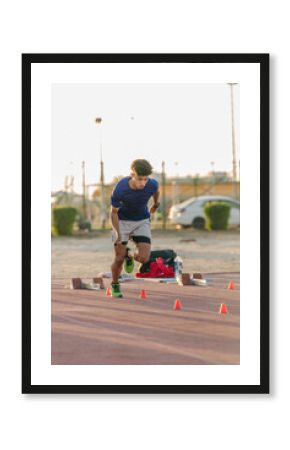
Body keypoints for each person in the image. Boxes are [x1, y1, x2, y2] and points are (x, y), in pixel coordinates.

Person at [110, 159, 160, 297]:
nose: (143, 183)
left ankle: (130, 255)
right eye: (139, 179)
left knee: (144, 258)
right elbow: (113, 213)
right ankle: (115, 285)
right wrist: (118, 234)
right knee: (119, 258)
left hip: (141, 221)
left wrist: (156, 204)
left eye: (145, 179)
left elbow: (156, 191)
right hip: (122, 222)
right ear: (132, 174)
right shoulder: (120, 189)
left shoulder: (152, 184)